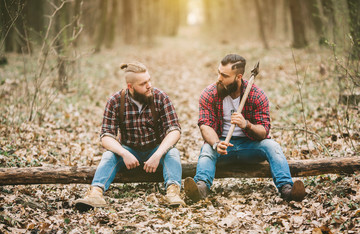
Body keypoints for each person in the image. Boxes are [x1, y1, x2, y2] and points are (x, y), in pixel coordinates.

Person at [184, 54, 306, 203]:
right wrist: (216, 144)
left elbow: (263, 132)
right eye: (218, 73)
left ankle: (287, 189)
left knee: (272, 146)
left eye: (224, 75)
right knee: (207, 150)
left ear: (238, 77)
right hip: (223, 145)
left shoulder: (256, 95)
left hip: (250, 146)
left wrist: (246, 125)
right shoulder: (210, 94)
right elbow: (205, 126)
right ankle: (200, 188)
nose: (219, 78)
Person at [75, 62, 185, 211]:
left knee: (173, 153)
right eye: (143, 83)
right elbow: (106, 136)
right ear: (130, 87)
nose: (149, 86)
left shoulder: (160, 97)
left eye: (149, 80)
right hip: (129, 151)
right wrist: (124, 153)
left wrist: (158, 154)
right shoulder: (115, 101)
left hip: (155, 149)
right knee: (108, 155)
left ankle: (173, 193)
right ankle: (95, 193)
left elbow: (174, 130)